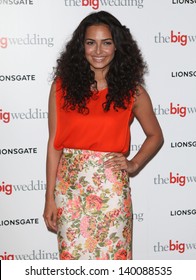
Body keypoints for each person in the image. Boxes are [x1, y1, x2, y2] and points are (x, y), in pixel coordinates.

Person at [43, 10, 163, 260]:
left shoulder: (133, 92)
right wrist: (49, 198)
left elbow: (155, 135)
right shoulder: (61, 87)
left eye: (106, 42)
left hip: (111, 192)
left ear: (117, 46)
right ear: (81, 46)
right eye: (91, 42)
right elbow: (54, 145)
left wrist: (134, 164)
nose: (98, 50)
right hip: (70, 191)